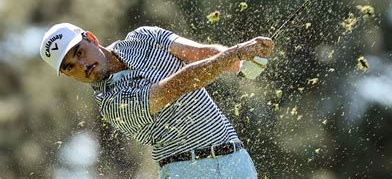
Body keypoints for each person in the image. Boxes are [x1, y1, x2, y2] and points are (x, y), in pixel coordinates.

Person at [39, 23, 274, 178]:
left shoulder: (144, 37)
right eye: (70, 66)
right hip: (187, 170)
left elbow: (200, 53)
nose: (82, 65)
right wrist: (234, 54)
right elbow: (176, 86)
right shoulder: (111, 102)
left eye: (79, 52)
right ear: (68, 75)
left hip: (236, 160)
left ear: (91, 38)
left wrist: (241, 64)